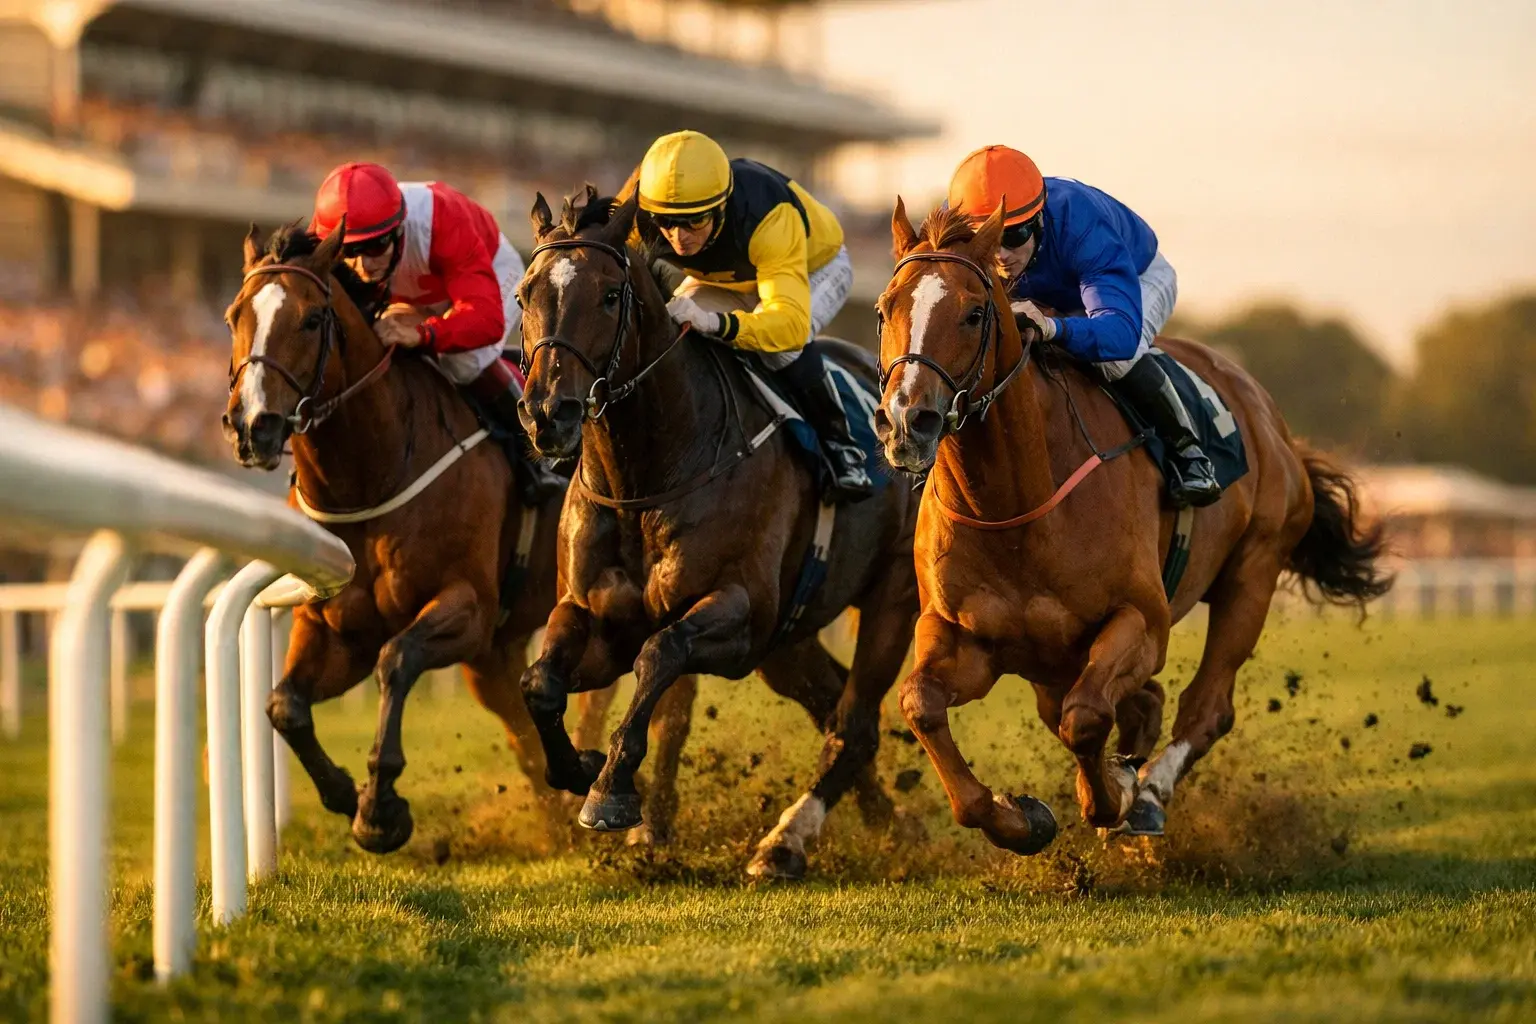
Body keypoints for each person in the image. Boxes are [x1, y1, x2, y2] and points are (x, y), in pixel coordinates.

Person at [946, 145, 1221, 508]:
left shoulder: (1083, 225)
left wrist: (1053, 328)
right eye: (988, 240)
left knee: (1114, 359)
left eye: (1012, 236)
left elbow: (1118, 335)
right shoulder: (955, 229)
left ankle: (1189, 454)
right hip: (1050, 291)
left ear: (1038, 219)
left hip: (1135, 279)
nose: (1000, 255)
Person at [629, 130, 873, 503]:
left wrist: (719, 323)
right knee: (673, 330)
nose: (679, 238)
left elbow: (788, 325)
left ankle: (843, 448)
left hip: (814, 266)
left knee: (779, 349)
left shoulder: (768, 215)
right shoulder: (643, 212)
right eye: (667, 221)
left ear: (722, 206)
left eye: (694, 221)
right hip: (731, 276)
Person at [309, 162, 563, 503]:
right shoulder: (333, 231)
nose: (362, 265)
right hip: (416, 291)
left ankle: (538, 455)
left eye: (374, 247)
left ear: (399, 229)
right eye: (349, 252)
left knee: (464, 358)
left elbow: (486, 320)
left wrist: (426, 334)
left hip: (490, 274)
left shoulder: (443, 218)